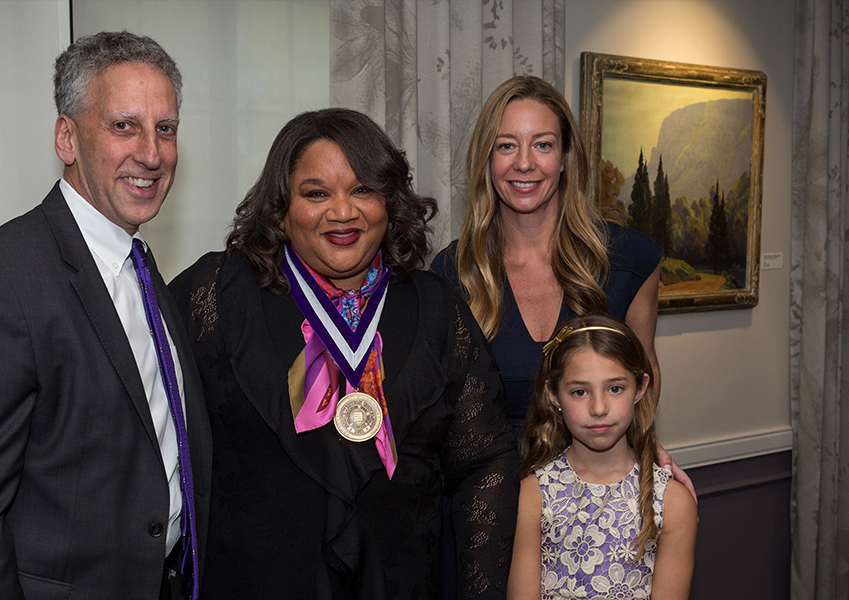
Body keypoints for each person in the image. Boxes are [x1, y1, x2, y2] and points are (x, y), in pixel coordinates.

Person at [169, 108, 518, 599]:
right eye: (316, 193)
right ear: (280, 207)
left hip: (398, 584)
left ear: (389, 202)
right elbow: (146, 416)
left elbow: (485, 462)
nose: (342, 212)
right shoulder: (218, 295)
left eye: (362, 190)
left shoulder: (436, 307)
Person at [0, 31, 210, 600]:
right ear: (66, 138)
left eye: (165, 128)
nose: (151, 153)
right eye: (124, 125)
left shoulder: (143, 269)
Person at [430, 75, 695, 496]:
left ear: (567, 155)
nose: (524, 163)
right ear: (487, 158)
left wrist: (643, 449)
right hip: (483, 506)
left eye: (542, 144)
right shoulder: (453, 272)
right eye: (506, 145)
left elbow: (645, 375)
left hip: (595, 500)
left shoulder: (629, 261)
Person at [506, 315, 696, 599]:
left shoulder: (672, 502)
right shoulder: (533, 496)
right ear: (554, 395)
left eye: (615, 388)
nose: (598, 407)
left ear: (640, 388)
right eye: (580, 391)